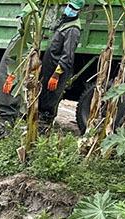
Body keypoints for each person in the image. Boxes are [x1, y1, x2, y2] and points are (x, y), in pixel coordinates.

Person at [37, 0, 84, 131]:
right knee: (43, 96)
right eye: (69, 6)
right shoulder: (65, 23)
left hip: (56, 71)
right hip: (49, 67)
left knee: (50, 101)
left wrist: (56, 75)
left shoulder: (73, 29)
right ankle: (39, 127)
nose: (70, 9)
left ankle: (43, 129)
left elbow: (67, 56)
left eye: (74, 8)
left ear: (79, 11)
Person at [0, 16, 29, 141]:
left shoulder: (26, 39)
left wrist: (12, 75)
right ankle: (3, 133)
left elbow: (22, 60)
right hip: (7, 76)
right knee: (6, 105)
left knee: (8, 106)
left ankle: (2, 134)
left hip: (11, 78)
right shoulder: (19, 35)